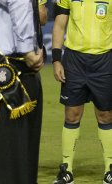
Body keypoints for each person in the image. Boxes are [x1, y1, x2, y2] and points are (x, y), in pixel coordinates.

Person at [0, 1, 48, 184]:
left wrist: (27, 48)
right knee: (20, 162)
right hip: (10, 74)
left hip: (8, 77)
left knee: (6, 162)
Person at [52, 0, 112, 183]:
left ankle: (110, 169)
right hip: (74, 60)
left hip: (104, 60)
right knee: (72, 115)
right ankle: (66, 170)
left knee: (106, 116)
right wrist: (56, 59)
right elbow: (60, 24)